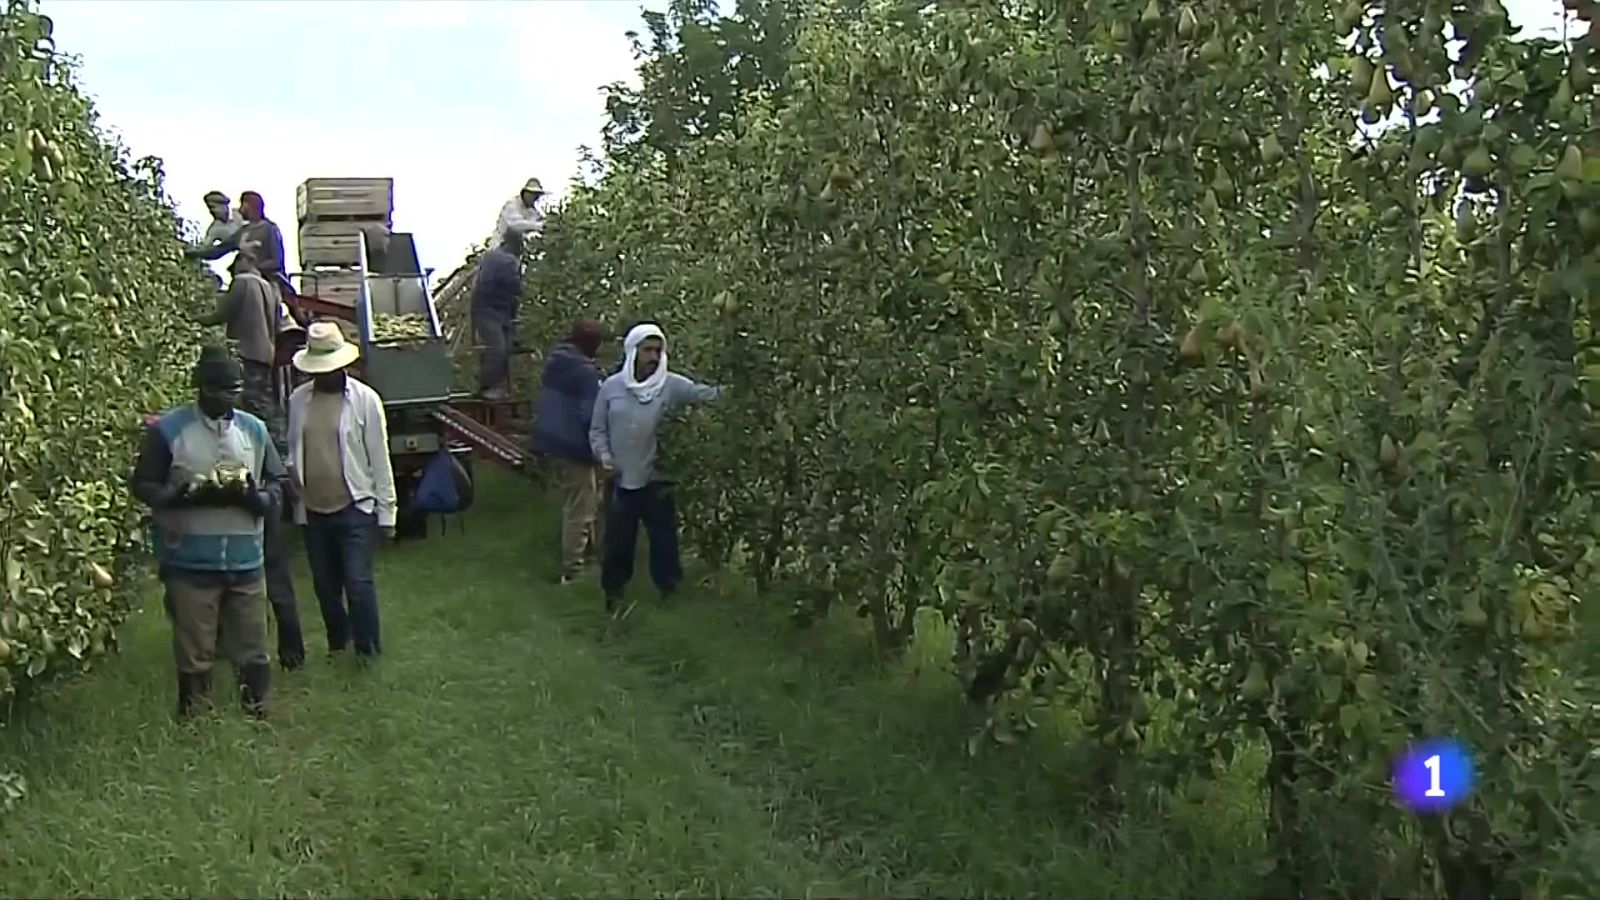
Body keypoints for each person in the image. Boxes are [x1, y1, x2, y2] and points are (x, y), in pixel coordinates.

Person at [130, 345, 287, 719]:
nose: (225, 400)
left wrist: (257, 498)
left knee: (252, 644)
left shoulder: (253, 429)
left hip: (245, 560)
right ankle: (196, 718)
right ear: (200, 388)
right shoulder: (170, 431)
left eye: (232, 392)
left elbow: (278, 482)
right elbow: (144, 484)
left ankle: (257, 712)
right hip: (189, 561)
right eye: (217, 391)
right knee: (195, 648)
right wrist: (181, 496)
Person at [196, 251, 307, 668]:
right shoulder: (268, 287)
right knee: (275, 572)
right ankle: (291, 648)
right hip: (265, 356)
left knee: (256, 571)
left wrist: (197, 317)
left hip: (248, 357)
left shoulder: (242, 284)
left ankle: (237, 647)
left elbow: (219, 314)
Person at [589, 323, 723, 617]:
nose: (653, 357)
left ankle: (669, 592)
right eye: (647, 350)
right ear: (632, 351)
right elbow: (597, 429)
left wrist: (742, 388)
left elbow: (705, 394)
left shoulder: (670, 385)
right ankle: (614, 595)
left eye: (657, 351)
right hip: (621, 478)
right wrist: (605, 457)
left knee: (664, 541)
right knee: (618, 543)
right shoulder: (612, 387)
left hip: (658, 478)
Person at [285, 321, 398, 662]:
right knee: (325, 585)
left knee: (358, 582)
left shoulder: (365, 400)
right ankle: (339, 643)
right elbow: (295, 449)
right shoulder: (298, 401)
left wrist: (387, 513)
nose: (326, 375)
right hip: (314, 509)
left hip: (354, 507)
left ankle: (368, 651)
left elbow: (379, 458)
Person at [531, 319, 607, 584]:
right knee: (581, 507)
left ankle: (589, 557)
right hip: (575, 444)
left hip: (552, 440)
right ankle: (573, 571)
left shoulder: (557, 362)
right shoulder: (585, 372)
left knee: (582, 500)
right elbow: (589, 414)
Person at [189, 190, 290, 297]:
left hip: (267, 284)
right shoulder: (243, 231)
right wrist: (194, 253)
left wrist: (253, 268)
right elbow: (218, 250)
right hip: (243, 282)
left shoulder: (270, 229)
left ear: (250, 207)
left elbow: (276, 262)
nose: (240, 210)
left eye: (243, 205)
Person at [471, 231, 524, 401]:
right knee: (498, 348)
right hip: (488, 310)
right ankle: (489, 386)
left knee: (502, 348)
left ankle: (494, 386)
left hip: (496, 310)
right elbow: (515, 288)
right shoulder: (504, 260)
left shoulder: (492, 256)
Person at [495, 177, 546, 244]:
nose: (535, 197)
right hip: (501, 244)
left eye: (536, 195)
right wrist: (540, 225)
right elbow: (516, 225)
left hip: (519, 246)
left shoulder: (532, 210)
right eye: (532, 194)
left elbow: (538, 221)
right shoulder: (512, 205)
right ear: (525, 193)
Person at [194, 190, 244, 254]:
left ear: (223, 205)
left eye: (213, 207)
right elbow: (205, 246)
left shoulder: (241, 214)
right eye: (209, 208)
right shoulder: (214, 229)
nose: (211, 211)